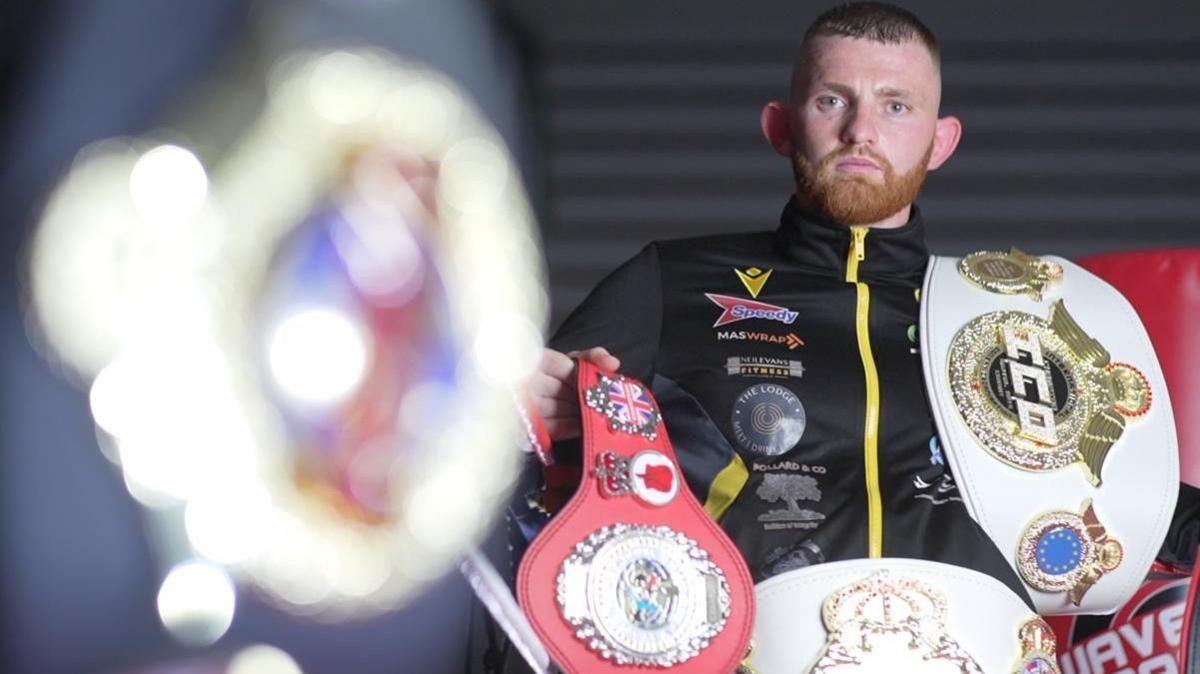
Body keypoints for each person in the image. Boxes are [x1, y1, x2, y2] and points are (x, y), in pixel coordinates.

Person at [523, 0, 1198, 616]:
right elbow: (524, 468)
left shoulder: (1009, 322)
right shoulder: (668, 283)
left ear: (941, 140)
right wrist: (545, 417)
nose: (861, 131)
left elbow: (1131, 502)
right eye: (831, 100)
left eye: (896, 105)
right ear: (781, 126)